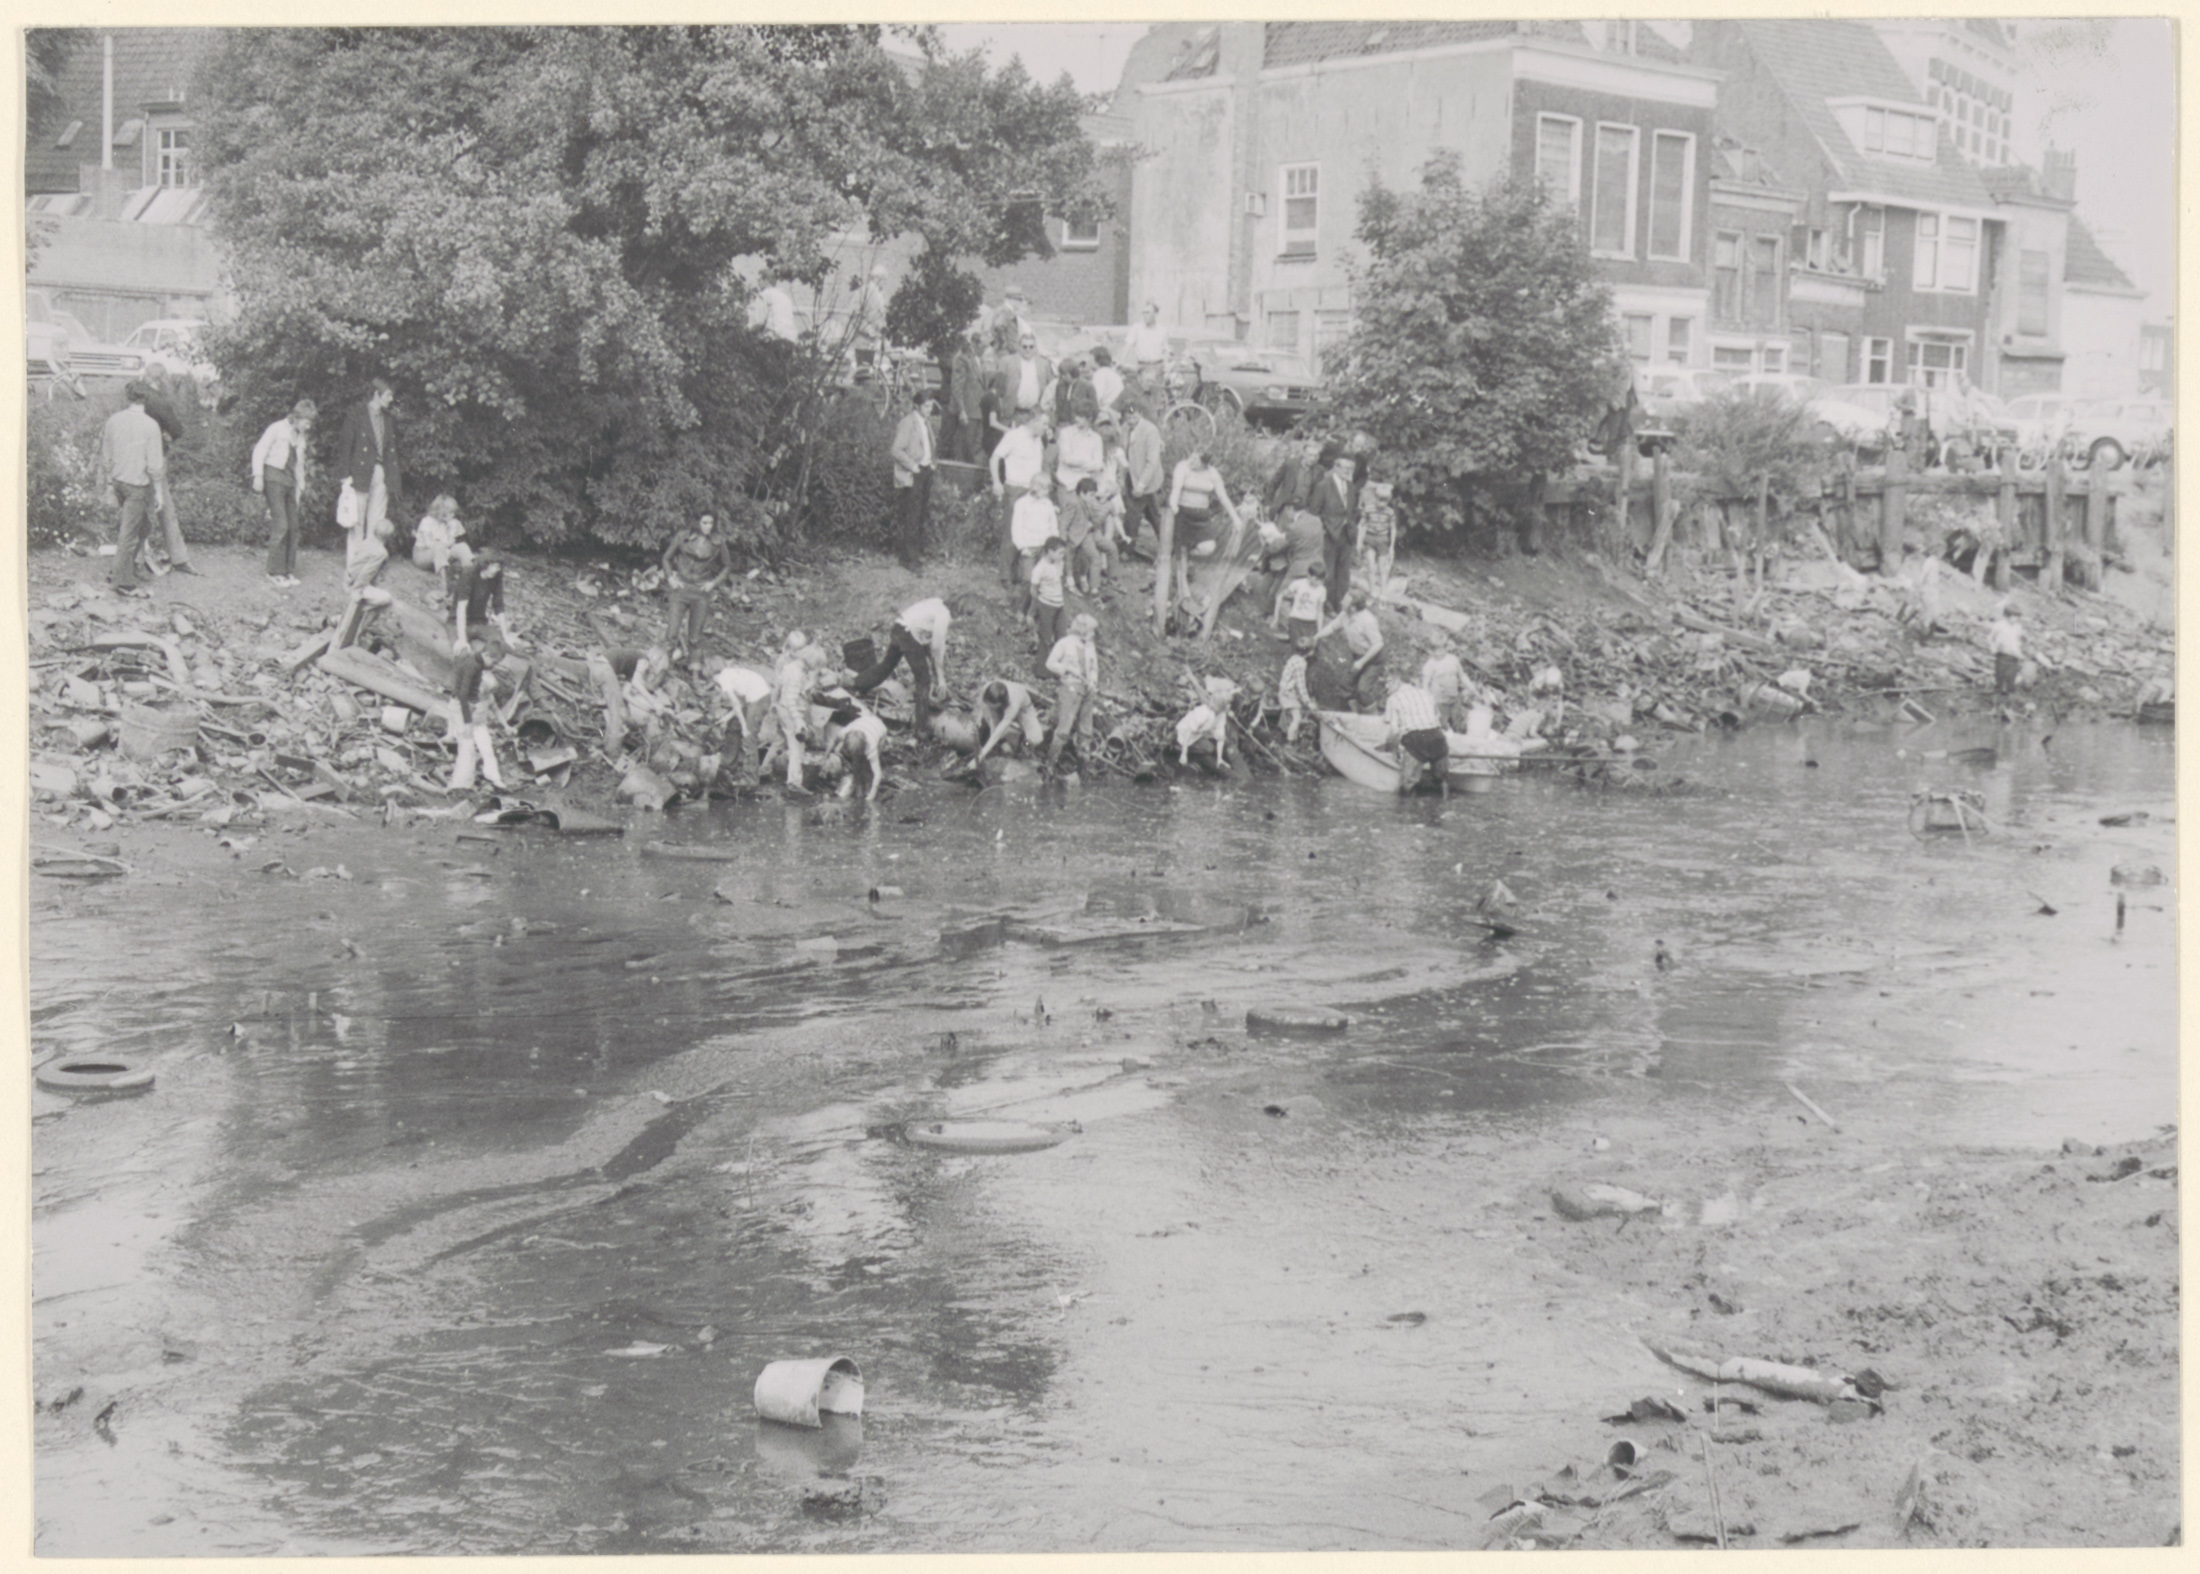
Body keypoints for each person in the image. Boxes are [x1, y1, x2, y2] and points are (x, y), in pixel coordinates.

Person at [848, 595, 951, 735]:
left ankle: (855, 684)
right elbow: (936, 648)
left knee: (885, 666)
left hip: (899, 628)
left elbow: (925, 640)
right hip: (908, 634)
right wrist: (941, 678)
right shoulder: (944, 615)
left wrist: (935, 668)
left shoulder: (936, 603)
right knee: (923, 680)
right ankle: (921, 730)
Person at [133, 365, 201, 577]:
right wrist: (167, 435)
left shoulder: (132, 395)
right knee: (164, 507)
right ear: (161, 379)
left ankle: (137, 558)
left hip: (133, 456)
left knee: (138, 506)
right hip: (154, 456)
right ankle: (178, 557)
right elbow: (177, 429)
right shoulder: (158, 401)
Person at [101, 383, 167, 598]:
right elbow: (154, 463)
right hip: (136, 485)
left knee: (144, 526)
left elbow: (106, 453)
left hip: (119, 481)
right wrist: (159, 491)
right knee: (129, 533)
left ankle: (120, 568)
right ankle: (122, 582)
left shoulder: (114, 420)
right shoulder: (150, 425)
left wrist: (109, 483)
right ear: (146, 399)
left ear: (127, 397)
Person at [250, 398, 316, 587]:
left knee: (293, 527)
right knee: (281, 524)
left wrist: (300, 487)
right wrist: (258, 475)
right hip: (273, 479)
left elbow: (299, 466)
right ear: (297, 417)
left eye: (310, 423)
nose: (309, 426)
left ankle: (288, 571)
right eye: (307, 422)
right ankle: (274, 571)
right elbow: (260, 450)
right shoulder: (277, 428)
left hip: (290, 483)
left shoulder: (301, 437)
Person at [336, 378, 403, 557]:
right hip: (359, 472)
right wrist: (344, 476)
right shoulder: (356, 415)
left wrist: (392, 478)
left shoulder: (388, 418)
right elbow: (346, 446)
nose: (391, 399)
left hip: (381, 472)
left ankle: (371, 560)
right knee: (356, 518)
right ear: (376, 394)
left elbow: (391, 451)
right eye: (388, 395)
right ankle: (354, 561)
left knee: (377, 519)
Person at [990, 407, 1049, 591]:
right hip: (1015, 490)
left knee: (1029, 533)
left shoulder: (1038, 440)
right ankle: (1005, 576)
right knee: (1012, 533)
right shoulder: (1013, 436)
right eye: (1044, 423)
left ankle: (1020, 574)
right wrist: (996, 482)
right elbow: (994, 458)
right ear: (1034, 421)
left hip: (1034, 491)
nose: (1046, 427)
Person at [662, 512, 732, 662]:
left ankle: (693, 669)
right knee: (672, 633)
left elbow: (726, 566)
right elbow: (666, 558)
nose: (708, 526)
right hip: (681, 589)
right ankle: (664, 666)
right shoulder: (682, 536)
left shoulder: (718, 542)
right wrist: (670, 578)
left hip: (701, 592)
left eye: (711, 523)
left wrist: (713, 583)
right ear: (696, 522)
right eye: (704, 523)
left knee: (695, 637)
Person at [447, 626, 508, 792]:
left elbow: (474, 693)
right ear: (487, 655)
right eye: (494, 662)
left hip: (472, 714)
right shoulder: (472, 666)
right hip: (463, 710)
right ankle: (460, 785)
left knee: (478, 748)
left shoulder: (480, 666)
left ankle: (473, 781)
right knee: (467, 747)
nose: (494, 666)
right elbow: (462, 695)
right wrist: (467, 721)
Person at [1044, 612, 1100, 772]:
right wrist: (1066, 669)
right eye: (1091, 631)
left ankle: (1083, 766)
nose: (1092, 634)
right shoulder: (1065, 643)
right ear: (1083, 629)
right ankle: (1050, 764)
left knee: (1086, 729)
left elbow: (1094, 667)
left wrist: (1093, 681)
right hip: (1070, 688)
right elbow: (1050, 663)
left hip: (1087, 690)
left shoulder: (1090, 646)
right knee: (1064, 729)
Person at [763, 632, 820, 787]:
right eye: (798, 649)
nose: (802, 652)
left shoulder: (798, 663)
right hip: (789, 707)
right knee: (795, 744)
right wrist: (774, 704)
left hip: (788, 705)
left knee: (781, 739)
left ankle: (764, 769)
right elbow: (780, 686)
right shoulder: (785, 662)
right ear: (790, 649)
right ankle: (793, 781)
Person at [890, 393, 939, 570]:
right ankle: (909, 559)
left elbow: (928, 446)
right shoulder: (908, 422)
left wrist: (932, 463)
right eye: (926, 406)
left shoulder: (926, 422)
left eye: (931, 406)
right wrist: (913, 466)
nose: (930, 410)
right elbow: (896, 450)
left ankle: (912, 554)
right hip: (913, 473)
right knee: (912, 515)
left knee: (921, 514)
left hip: (926, 471)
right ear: (917, 406)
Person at [1318, 586, 1386, 711]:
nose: (1341, 602)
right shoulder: (1345, 614)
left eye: (1345, 601)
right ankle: (1350, 714)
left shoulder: (1368, 621)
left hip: (1373, 660)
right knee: (1346, 684)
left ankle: (1373, 718)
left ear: (1353, 608)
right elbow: (1332, 627)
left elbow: (1378, 644)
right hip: (1357, 657)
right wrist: (1316, 637)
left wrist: (1361, 662)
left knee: (1363, 690)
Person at [1382, 675, 1449, 796]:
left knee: (1408, 785)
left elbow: (1394, 731)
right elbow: (1438, 719)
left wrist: (1393, 751)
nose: (1386, 686)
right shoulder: (1426, 693)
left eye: (1388, 682)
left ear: (1398, 681)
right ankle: (1445, 803)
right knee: (1442, 781)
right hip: (1437, 737)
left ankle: (1405, 806)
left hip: (1416, 739)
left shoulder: (1393, 699)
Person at [1311, 441, 1358, 613]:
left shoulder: (1351, 487)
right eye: (1345, 468)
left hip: (1347, 535)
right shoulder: (1324, 485)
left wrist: (1353, 527)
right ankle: (1325, 606)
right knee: (1328, 573)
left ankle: (1341, 606)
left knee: (1344, 574)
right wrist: (1324, 529)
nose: (1348, 472)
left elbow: (1352, 511)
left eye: (1351, 469)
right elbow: (1314, 511)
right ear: (1336, 467)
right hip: (1329, 535)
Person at [989, 328, 1055, 441]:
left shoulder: (1044, 364)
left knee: (1033, 443)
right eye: (1024, 346)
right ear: (1018, 347)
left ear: (1035, 347)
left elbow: (1051, 388)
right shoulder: (1006, 361)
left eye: (1031, 347)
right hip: (1013, 413)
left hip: (1035, 413)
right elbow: (998, 387)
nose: (1028, 350)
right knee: (1013, 442)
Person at [1009, 471, 1061, 614]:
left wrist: (1054, 545)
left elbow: (1053, 526)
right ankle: (1019, 609)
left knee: (1042, 579)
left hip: (1044, 548)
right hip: (1029, 547)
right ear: (1035, 487)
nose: (1047, 492)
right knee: (1027, 578)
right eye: (1044, 489)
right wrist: (1022, 547)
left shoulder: (1047, 504)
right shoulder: (1022, 503)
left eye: (1048, 488)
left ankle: (1033, 612)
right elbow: (1016, 527)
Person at [712, 659, 775, 778]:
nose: (717, 686)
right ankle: (729, 764)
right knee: (733, 725)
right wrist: (726, 718)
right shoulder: (729, 673)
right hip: (757, 697)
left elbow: (736, 703)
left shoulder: (723, 678)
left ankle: (750, 777)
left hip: (759, 700)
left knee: (749, 737)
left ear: (714, 676)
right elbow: (741, 702)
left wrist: (745, 727)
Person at [411, 493, 471, 605]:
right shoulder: (427, 521)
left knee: (462, 547)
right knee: (438, 547)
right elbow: (429, 544)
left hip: (441, 554)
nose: (452, 515)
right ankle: (442, 589)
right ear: (439, 510)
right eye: (449, 512)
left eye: (453, 512)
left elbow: (453, 543)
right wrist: (446, 545)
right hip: (423, 555)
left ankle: (471, 584)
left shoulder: (449, 523)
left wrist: (451, 528)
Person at [1123, 403, 1165, 558]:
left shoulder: (1150, 430)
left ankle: (1167, 547)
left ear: (1140, 414)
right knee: (1138, 514)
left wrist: (1141, 485)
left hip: (1149, 481)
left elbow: (1152, 461)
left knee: (1151, 515)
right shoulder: (1125, 428)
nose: (1131, 420)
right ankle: (1129, 548)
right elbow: (1125, 451)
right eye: (1128, 417)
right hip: (1132, 478)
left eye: (1134, 417)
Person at [453, 551, 516, 651]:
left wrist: (505, 636)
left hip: (479, 622)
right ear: (485, 564)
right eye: (493, 566)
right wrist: (462, 639)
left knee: (503, 646)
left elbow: (499, 605)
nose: (496, 570)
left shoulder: (496, 577)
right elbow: (461, 607)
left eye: (498, 567)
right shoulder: (468, 575)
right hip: (457, 622)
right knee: (462, 652)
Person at [975, 677, 1046, 763]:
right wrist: (979, 719)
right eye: (990, 704)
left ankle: (1024, 744)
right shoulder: (986, 688)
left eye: (994, 706)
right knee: (989, 717)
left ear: (1002, 703)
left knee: (1036, 739)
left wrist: (980, 757)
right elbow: (981, 705)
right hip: (1001, 708)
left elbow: (1000, 730)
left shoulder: (1013, 703)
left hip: (1023, 709)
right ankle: (1001, 741)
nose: (992, 707)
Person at [832, 703, 891, 801]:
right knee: (854, 759)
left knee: (868, 765)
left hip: (879, 729)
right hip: (863, 722)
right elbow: (834, 741)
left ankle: (866, 784)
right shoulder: (845, 732)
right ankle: (858, 782)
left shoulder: (871, 745)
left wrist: (872, 794)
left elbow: (878, 774)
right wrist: (825, 756)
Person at [944, 332, 987, 465]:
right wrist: (962, 410)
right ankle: (961, 473)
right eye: (983, 346)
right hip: (968, 411)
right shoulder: (962, 359)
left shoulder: (979, 359)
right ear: (974, 344)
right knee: (964, 447)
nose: (985, 350)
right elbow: (957, 387)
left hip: (978, 410)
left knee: (975, 446)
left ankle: (973, 473)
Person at [1060, 477, 1108, 596]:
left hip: (1085, 535)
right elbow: (1064, 523)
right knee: (1069, 559)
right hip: (1073, 537)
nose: (1093, 498)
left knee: (1094, 557)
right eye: (1091, 495)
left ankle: (1093, 586)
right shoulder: (1073, 502)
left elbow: (1091, 518)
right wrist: (1063, 540)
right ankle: (1070, 583)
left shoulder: (1087, 502)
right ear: (1082, 493)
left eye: (1094, 495)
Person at [1176, 680, 1235, 769]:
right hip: (1183, 734)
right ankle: (1184, 751)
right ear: (1221, 705)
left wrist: (1219, 759)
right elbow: (1188, 731)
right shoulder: (1204, 712)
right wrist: (1184, 754)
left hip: (1198, 733)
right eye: (1228, 704)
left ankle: (1216, 759)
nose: (1230, 706)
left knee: (1214, 744)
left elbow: (1221, 737)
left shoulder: (1221, 714)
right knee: (1209, 748)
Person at [1419, 638, 1474, 731]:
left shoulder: (1453, 659)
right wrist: (1429, 701)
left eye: (1441, 650)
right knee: (1441, 727)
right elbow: (1425, 686)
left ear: (1446, 648)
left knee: (1459, 726)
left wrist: (1472, 689)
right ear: (1431, 650)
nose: (1438, 653)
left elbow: (1462, 676)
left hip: (1454, 699)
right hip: (1440, 702)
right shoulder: (1429, 665)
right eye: (1435, 650)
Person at [1029, 536, 1070, 653]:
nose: (1062, 556)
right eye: (1060, 553)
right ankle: (1043, 663)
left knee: (1062, 636)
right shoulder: (1040, 568)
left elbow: (1058, 582)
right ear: (1050, 551)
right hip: (1046, 605)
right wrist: (1038, 606)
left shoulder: (1059, 563)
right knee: (1046, 637)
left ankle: (1060, 661)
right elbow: (1033, 589)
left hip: (1059, 605)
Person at [1054, 408, 1105, 500]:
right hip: (1067, 484)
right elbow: (1067, 459)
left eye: (1081, 417)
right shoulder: (1065, 433)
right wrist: (1088, 462)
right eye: (1076, 415)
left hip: (1086, 486)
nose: (1076, 419)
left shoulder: (1096, 438)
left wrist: (1077, 465)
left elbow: (1098, 465)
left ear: (1089, 418)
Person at [1358, 479, 1398, 598]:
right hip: (1370, 539)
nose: (1382, 503)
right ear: (1375, 498)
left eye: (1385, 501)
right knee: (1371, 566)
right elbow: (1362, 525)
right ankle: (1372, 591)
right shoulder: (1368, 509)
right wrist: (1359, 542)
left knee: (1382, 568)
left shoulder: (1390, 512)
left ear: (1388, 501)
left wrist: (1391, 547)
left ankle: (1383, 593)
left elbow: (1393, 529)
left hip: (1383, 540)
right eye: (1380, 499)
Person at [1272, 560, 1327, 645]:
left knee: (1310, 648)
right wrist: (1276, 617)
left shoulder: (1322, 590)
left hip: (1311, 623)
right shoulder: (1298, 584)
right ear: (1309, 575)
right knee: (1298, 646)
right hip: (1296, 620)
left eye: (1321, 580)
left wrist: (1320, 631)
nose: (1319, 582)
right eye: (1316, 579)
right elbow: (1280, 596)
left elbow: (1320, 611)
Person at [1123, 300, 1170, 387]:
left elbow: (1166, 351)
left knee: (1157, 392)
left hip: (1157, 366)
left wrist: (1167, 368)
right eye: (1143, 313)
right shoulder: (1136, 328)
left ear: (1155, 314)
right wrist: (1121, 361)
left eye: (1147, 312)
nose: (1144, 315)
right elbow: (1127, 346)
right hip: (1142, 366)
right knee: (1141, 391)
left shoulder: (1162, 330)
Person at [1276, 648, 1314, 742]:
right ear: (1309, 652)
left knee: (1292, 717)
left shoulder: (1294, 658)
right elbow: (1300, 685)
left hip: (1284, 691)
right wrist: (1308, 702)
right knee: (1297, 719)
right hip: (1287, 694)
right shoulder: (1300, 664)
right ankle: (1290, 743)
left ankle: (1286, 736)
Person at [748, 274, 799, 341]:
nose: (758, 283)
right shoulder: (785, 297)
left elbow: (759, 322)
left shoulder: (763, 295)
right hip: (791, 337)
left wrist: (747, 330)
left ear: (766, 280)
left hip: (774, 338)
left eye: (759, 280)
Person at [1989, 603, 2024, 695]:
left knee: (2011, 679)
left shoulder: (2018, 627)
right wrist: (1993, 648)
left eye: (2018, 617)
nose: (2016, 619)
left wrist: (2019, 653)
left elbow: (2017, 641)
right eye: (2014, 616)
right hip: (2002, 655)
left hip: (2014, 657)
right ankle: (1997, 696)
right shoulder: (1999, 625)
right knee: (2000, 677)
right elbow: (1991, 638)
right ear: (2007, 615)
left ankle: (2009, 698)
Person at [1090, 346, 1124, 416]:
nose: (1088, 361)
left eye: (1090, 359)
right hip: (1117, 409)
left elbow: (1096, 397)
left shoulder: (1100, 374)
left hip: (1107, 412)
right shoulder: (1111, 372)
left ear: (1097, 360)